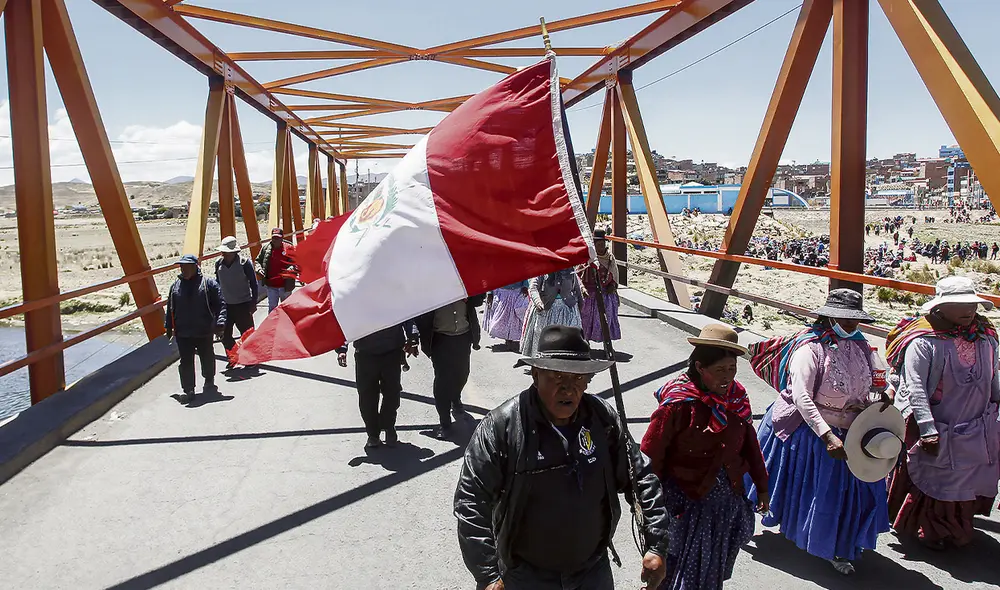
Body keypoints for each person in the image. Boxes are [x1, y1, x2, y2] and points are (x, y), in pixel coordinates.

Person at [455, 325, 669, 590]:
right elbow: (471, 502)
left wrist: (656, 544)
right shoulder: (501, 426)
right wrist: (487, 575)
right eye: (557, 376)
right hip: (526, 575)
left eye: (578, 378)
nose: (568, 388)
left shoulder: (601, 419)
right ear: (535, 374)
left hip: (591, 571)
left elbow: (641, 477)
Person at [748, 289, 890, 575]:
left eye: (855, 320)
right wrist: (826, 435)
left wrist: (881, 395)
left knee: (847, 494)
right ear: (829, 316)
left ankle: (837, 544)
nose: (851, 325)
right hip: (811, 431)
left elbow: (874, 381)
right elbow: (802, 396)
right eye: (844, 319)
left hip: (852, 430)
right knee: (823, 490)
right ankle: (828, 544)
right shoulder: (810, 349)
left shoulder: (861, 346)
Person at [641, 324, 768, 590]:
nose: (727, 377)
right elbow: (651, 456)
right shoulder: (678, 404)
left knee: (711, 567)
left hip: (724, 506)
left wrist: (762, 486)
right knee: (678, 566)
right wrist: (649, 503)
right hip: (686, 503)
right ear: (700, 367)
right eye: (719, 370)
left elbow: (750, 445)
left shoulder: (737, 398)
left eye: (732, 369)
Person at [886, 276, 999, 550]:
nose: (970, 310)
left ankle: (956, 525)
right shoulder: (923, 341)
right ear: (940, 307)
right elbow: (915, 387)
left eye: (972, 304)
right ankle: (931, 529)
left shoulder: (985, 337)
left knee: (966, 475)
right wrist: (927, 429)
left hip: (975, 422)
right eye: (961, 304)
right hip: (938, 422)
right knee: (935, 476)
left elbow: (993, 375)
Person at [337, 321, 420, 449]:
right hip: (365, 355)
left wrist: (413, 337)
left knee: (392, 393)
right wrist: (342, 348)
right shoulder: (355, 301)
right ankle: (373, 435)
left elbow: (408, 316)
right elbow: (345, 322)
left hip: (392, 353)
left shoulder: (395, 300)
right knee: (367, 396)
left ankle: (388, 425)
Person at [416, 295, 486, 439]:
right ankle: (445, 422)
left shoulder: (463, 280)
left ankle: (455, 397)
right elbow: (418, 311)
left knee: (462, 374)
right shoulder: (428, 286)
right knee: (442, 380)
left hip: (463, 336)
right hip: (440, 338)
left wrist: (469, 297)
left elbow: (479, 299)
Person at [164, 254, 226, 403]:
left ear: (195, 267)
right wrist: (169, 327)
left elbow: (221, 304)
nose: (183, 269)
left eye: (186, 266)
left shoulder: (208, 283)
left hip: (203, 330)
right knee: (186, 362)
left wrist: (220, 323)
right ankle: (189, 389)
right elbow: (171, 308)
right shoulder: (175, 286)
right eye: (181, 266)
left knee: (207, 356)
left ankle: (209, 379)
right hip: (183, 332)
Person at [214, 236, 258, 368]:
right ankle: (234, 356)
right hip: (225, 305)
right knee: (224, 334)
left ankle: (250, 358)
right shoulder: (218, 263)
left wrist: (253, 302)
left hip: (243, 304)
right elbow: (217, 283)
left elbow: (254, 284)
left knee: (247, 334)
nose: (224, 253)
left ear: (234, 252)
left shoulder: (245, 263)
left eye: (226, 251)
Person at [521, 269, 583, 357]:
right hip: (546, 309)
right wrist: (538, 302)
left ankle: (565, 363)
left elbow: (577, 288)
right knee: (544, 337)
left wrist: (581, 303)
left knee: (568, 337)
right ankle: (542, 363)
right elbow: (533, 288)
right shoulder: (542, 270)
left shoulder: (570, 271)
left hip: (567, 311)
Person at [578, 229, 621, 344]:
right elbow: (578, 273)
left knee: (605, 319)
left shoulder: (610, 258)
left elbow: (615, 274)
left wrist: (613, 285)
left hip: (605, 294)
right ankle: (585, 342)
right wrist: (582, 287)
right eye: (598, 244)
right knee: (586, 319)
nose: (601, 247)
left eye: (602, 244)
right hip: (589, 294)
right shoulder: (587, 257)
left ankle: (607, 343)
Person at [255, 228, 297, 312]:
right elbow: (257, 261)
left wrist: (290, 269)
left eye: (278, 238)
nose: (275, 240)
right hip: (271, 285)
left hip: (285, 286)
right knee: (272, 308)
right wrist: (259, 269)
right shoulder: (266, 248)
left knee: (287, 309)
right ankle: (272, 325)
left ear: (282, 238)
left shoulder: (289, 248)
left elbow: (296, 263)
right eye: (274, 238)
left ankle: (286, 324)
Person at [483, 281, 530, 352]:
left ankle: (510, 340)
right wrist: (489, 293)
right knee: (502, 318)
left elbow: (526, 274)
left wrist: (525, 286)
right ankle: (508, 340)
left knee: (514, 318)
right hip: (502, 293)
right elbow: (490, 277)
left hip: (517, 292)